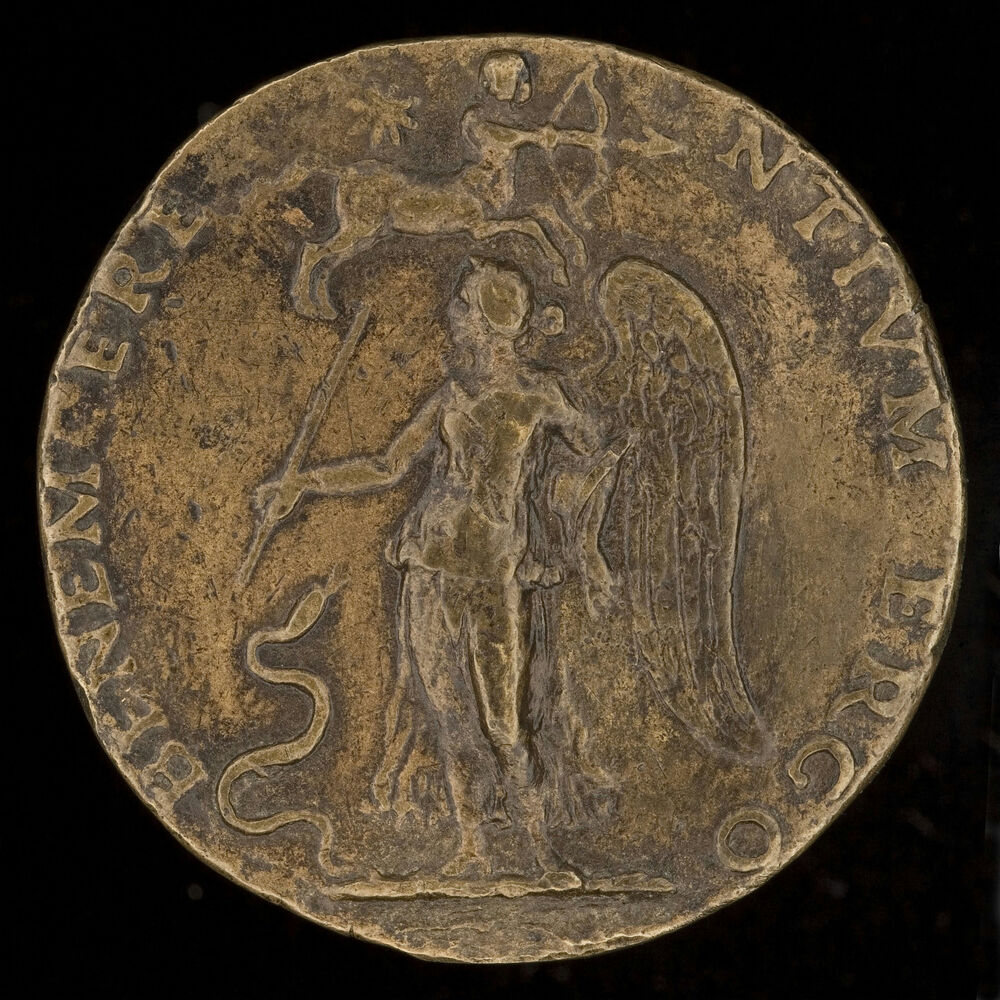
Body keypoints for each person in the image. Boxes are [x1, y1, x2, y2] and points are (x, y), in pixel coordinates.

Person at [258, 259, 612, 876]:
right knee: (450, 720)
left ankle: (538, 853)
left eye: (463, 306)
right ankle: (473, 849)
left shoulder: (539, 395)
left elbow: (593, 445)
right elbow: (388, 466)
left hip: (493, 575)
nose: (453, 315)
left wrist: (575, 523)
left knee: (504, 724)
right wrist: (304, 484)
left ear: (490, 322)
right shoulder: (451, 397)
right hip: (430, 566)